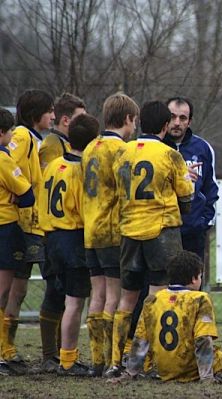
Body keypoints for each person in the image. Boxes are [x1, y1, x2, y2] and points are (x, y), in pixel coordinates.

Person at [107, 101, 194, 377]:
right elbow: (186, 196)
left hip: (129, 231)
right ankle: (151, 361)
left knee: (126, 300)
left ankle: (115, 362)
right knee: (158, 297)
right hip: (161, 232)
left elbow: (114, 189)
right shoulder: (170, 154)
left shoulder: (121, 153)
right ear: (166, 126)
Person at [38, 113, 100, 376]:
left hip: (50, 238)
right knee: (75, 302)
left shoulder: (54, 164)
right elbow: (86, 210)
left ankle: (51, 354)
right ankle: (68, 359)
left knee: (55, 296)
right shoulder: (82, 170)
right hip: (73, 238)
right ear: (94, 141)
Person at [82, 93, 139, 376]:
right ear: (128, 119)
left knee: (97, 294)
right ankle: (113, 360)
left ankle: (96, 361)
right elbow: (127, 190)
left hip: (90, 230)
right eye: (134, 121)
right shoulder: (121, 150)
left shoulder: (91, 146)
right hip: (112, 230)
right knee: (114, 296)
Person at [113, 251, 222, 382]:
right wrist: (207, 377)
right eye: (200, 276)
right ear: (193, 278)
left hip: (163, 370)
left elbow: (140, 339)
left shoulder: (153, 299)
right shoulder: (200, 299)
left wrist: (130, 373)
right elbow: (203, 339)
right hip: (191, 370)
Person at [3, 89, 54, 373]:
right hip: (24, 224)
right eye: (50, 111)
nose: (54, 116)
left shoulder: (35, 140)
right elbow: (5, 162)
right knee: (15, 288)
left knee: (19, 288)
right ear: (37, 114)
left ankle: (11, 347)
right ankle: (6, 347)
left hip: (34, 223)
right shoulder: (21, 136)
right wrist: (15, 190)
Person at [0, 107, 35, 376]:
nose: (12, 135)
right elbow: (27, 195)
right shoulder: (4, 159)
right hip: (5, 227)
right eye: (9, 131)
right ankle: (2, 349)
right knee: (2, 290)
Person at [164, 96, 218, 260]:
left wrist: (203, 223)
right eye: (172, 117)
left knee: (192, 282)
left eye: (182, 118)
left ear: (190, 121)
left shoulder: (203, 148)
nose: (177, 123)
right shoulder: (156, 147)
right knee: (161, 283)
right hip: (161, 230)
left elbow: (211, 189)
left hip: (193, 232)